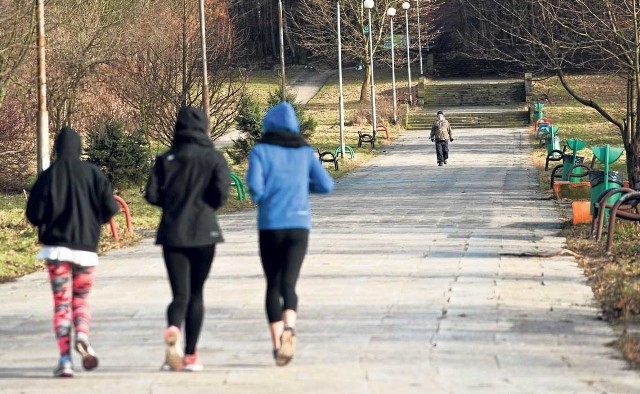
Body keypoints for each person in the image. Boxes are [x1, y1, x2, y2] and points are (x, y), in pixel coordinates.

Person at [26, 127, 120, 378]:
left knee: (61, 304)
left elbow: (33, 215)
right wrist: (93, 222)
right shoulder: (94, 174)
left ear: (57, 148)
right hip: (86, 251)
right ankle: (82, 333)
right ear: (79, 148)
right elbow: (111, 209)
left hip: (56, 250)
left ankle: (65, 360)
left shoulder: (48, 176)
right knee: (80, 300)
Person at [246, 102, 334, 366]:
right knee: (290, 283)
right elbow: (326, 185)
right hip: (299, 225)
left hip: (271, 225)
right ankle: (290, 328)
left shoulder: (260, 151)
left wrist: (269, 194)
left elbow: (255, 188)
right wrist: (300, 187)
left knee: (273, 283)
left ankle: (276, 346)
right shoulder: (305, 152)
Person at [145, 106, 230, 372]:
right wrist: (205, 208)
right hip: (205, 233)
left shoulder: (166, 159)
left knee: (179, 294)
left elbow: (151, 195)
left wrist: (172, 205)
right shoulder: (214, 158)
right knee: (196, 294)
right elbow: (222, 193)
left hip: (172, 233)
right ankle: (191, 355)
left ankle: (173, 329)